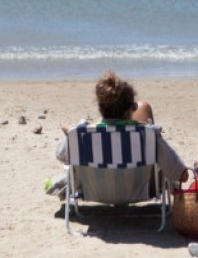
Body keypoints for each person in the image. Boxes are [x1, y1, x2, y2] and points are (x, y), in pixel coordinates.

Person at [54, 70, 187, 187]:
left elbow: (60, 155)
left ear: (100, 108)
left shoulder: (82, 136)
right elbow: (182, 175)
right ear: (131, 109)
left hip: (96, 189)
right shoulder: (147, 135)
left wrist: (74, 132)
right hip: (139, 190)